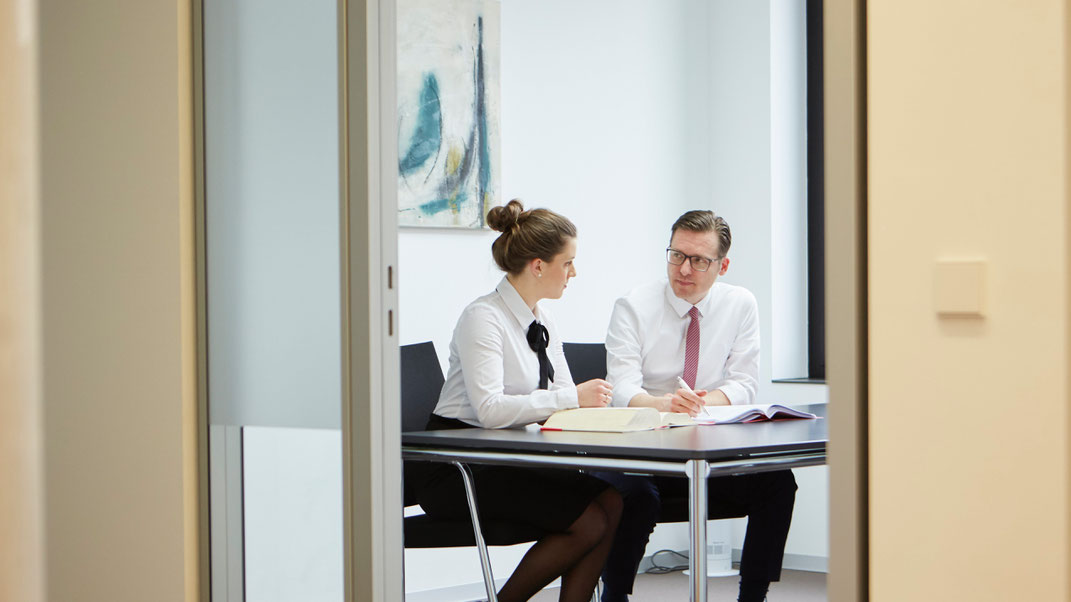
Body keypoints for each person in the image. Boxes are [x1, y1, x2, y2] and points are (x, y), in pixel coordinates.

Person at [416, 199, 622, 602]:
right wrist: (572, 398)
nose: (574, 273)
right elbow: (490, 410)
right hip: (456, 464)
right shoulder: (483, 318)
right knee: (588, 522)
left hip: (506, 458)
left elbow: (563, 400)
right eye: (568, 262)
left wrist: (597, 410)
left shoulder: (541, 318)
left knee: (611, 500)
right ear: (538, 265)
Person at [596, 210, 797, 602]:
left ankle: (753, 596)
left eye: (699, 260)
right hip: (643, 450)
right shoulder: (633, 305)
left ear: (722, 265)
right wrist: (664, 405)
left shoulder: (740, 304)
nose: (684, 269)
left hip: (705, 447)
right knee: (636, 495)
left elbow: (744, 382)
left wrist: (704, 402)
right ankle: (614, 596)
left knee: (777, 482)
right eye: (677, 255)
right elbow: (619, 385)